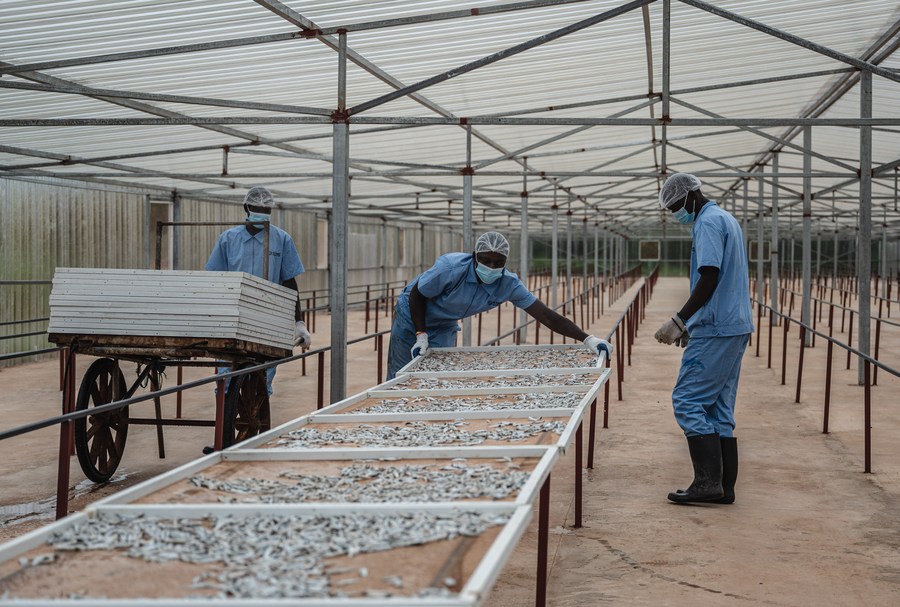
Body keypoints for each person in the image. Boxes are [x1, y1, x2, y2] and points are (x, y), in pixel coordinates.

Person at [386, 231, 613, 379]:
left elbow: (546, 316)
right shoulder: (450, 268)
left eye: (498, 262)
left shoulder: (508, 284)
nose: (491, 266)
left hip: (445, 321)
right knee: (403, 371)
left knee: (438, 371)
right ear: (475, 256)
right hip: (412, 314)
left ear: (506, 262)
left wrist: (587, 338)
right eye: (485, 260)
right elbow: (417, 294)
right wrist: (420, 333)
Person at [654, 173, 753, 505]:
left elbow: (709, 277)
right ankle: (724, 487)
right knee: (719, 407)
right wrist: (691, 324)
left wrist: (680, 319)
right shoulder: (726, 219)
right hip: (733, 324)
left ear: (691, 196)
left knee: (688, 400)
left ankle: (707, 483)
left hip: (718, 326)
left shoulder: (708, 223)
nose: (675, 214)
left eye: (676, 206)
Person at [206, 186, 310, 396]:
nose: (262, 211)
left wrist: (298, 322)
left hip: (268, 318)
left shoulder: (281, 239)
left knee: (261, 380)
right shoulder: (228, 239)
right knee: (227, 379)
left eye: (267, 209)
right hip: (233, 317)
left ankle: (256, 421)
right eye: (257, 207)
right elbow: (214, 279)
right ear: (246, 207)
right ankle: (226, 419)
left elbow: (289, 282)